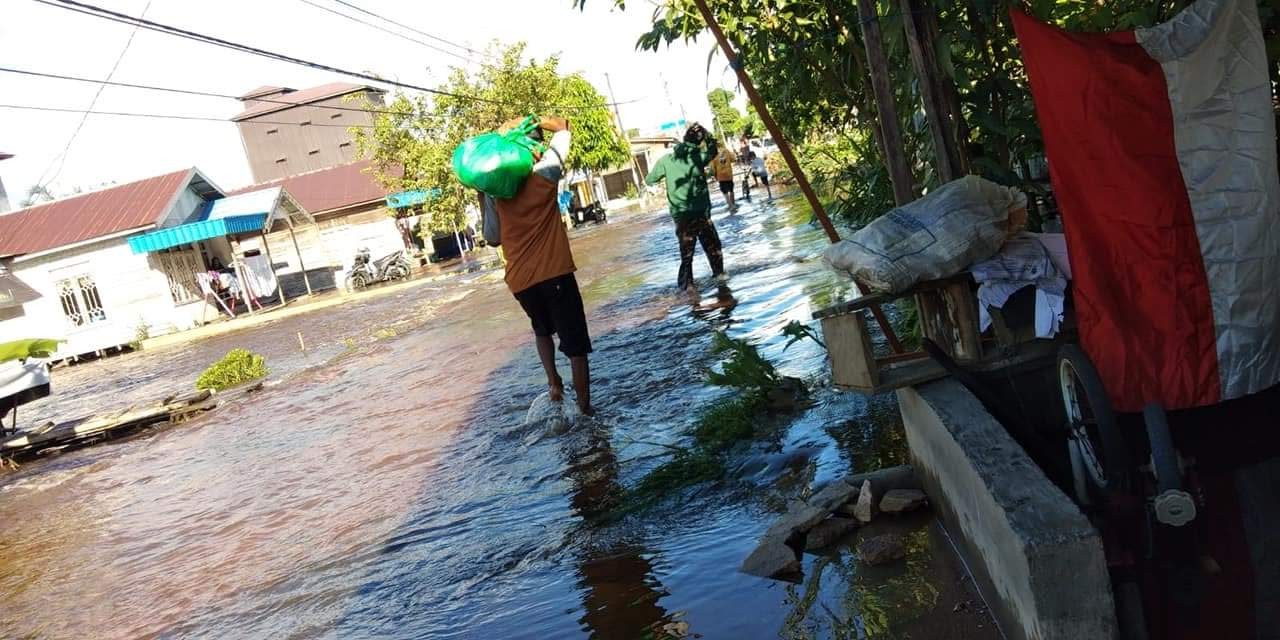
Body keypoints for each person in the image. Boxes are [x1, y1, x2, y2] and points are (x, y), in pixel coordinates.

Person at [482, 115, 594, 416]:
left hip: (520, 281)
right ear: (534, 147)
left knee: (541, 330)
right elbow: (564, 127)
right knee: (576, 347)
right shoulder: (545, 174)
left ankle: (554, 384)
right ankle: (585, 411)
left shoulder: (494, 190)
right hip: (554, 272)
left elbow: (492, 238)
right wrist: (532, 118)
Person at [645, 122, 727, 292]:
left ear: (683, 139)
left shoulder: (666, 161)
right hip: (701, 214)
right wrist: (707, 134)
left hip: (681, 217)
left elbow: (649, 180)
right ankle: (721, 282)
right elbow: (713, 149)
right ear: (698, 141)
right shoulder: (699, 157)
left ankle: (687, 289)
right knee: (714, 249)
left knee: (687, 256)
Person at [710, 143, 738, 213]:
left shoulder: (713, 155)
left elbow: (712, 168)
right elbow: (733, 159)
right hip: (729, 174)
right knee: (731, 190)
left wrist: (713, 175)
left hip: (720, 176)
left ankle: (730, 205)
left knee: (725, 192)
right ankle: (733, 204)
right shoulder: (726, 151)